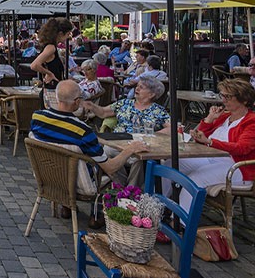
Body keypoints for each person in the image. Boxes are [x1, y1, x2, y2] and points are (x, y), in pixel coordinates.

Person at [30, 80, 148, 219]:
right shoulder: (82, 131)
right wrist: (129, 149)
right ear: (77, 101)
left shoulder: (37, 118)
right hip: (79, 185)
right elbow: (110, 168)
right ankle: (98, 215)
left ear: (57, 97)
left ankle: (67, 206)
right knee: (102, 165)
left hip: (48, 176)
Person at [180, 79, 255, 215]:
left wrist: (210, 142)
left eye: (228, 97)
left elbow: (242, 148)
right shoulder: (225, 116)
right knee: (172, 164)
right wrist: (209, 118)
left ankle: (180, 223)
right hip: (210, 158)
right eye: (222, 95)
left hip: (237, 167)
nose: (224, 100)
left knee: (193, 179)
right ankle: (157, 209)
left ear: (244, 100)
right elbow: (199, 136)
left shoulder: (251, 121)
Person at [83, 77, 170, 136]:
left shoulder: (158, 111)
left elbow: (171, 128)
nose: (137, 89)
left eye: (141, 87)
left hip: (141, 145)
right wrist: (92, 106)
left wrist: (153, 135)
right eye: (137, 86)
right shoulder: (124, 103)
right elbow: (103, 112)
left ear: (151, 94)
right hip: (118, 142)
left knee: (138, 162)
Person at [31, 17, 73, 109]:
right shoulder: (51, 47)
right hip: (51, 92)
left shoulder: (50, 46)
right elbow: (34, 65)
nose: (69, 37)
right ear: (61, 34)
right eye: (68, 34)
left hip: (52, 90)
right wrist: (49, 73)